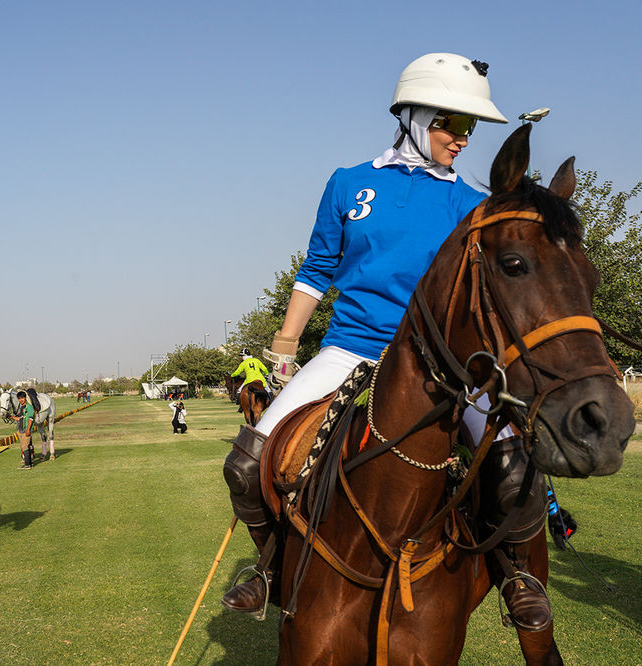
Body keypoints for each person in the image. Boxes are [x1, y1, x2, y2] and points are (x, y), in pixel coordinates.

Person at [221, 53, 552, 632]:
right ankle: (269, 565)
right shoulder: (349, 184)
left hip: (438, 366)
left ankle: (517, 572)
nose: (464, 140)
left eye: (471, 129)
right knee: (248, 462)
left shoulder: (468, 205)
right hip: (349, 347)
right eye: (455, 125)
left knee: (512, 466)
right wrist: (284, 344)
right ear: (416, 117)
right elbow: (317, 269)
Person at [16, 391, 36, 469]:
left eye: (22, 398)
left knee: (25, 446)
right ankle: (29, 463)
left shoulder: (29, 407)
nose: (21, 400)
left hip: (26, 430)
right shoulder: (21, 408)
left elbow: (31, 418)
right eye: (19, 398)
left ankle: (27, 465)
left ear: (25, 398)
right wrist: (10, 417)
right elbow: (20, 418)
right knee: (23, 446)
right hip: (21, 430)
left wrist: (28, 430)